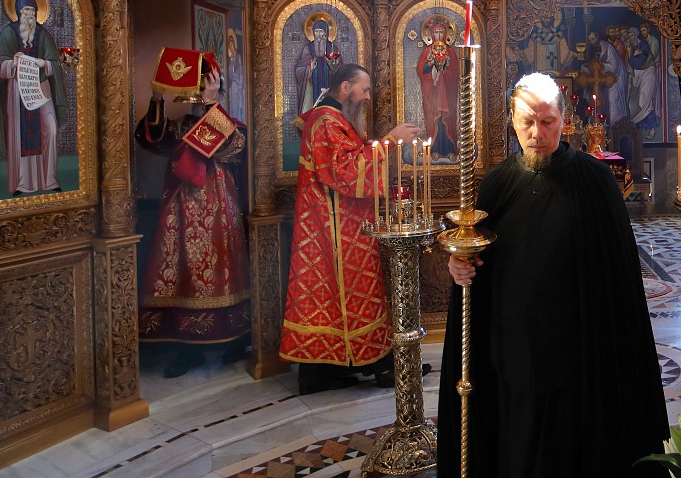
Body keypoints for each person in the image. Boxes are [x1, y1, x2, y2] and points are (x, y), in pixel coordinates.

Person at [438, 72, 669, 478]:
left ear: (565, 121)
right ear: (512, 121)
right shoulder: (495, 186)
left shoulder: (595, 182)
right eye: (527, 122)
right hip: (511, 354)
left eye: (547, 122)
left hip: (578, 357)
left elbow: (619, 283)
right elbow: (475, 262)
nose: (537, 133)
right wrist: (460, 266)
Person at [279, 63, 422, 394]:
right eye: (364, 89)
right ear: (345, 88)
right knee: (346, 295)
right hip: (332, 231)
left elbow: (351, 159)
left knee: (342, 297)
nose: (367, 96)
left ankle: (334, 370)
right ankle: (373, 366)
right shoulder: (325, 122)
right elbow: (345, 171)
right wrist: (390, 141)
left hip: (344, 226)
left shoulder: (334, 120)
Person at [136, 61, 250, 377]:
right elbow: (152, 139)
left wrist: (211, 103)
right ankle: (187, 348)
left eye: (205, 88)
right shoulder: (180, 127)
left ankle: (235, 338)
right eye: (197, 89)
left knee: (223, 270)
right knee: (182, 273)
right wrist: (157, 96)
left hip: (219, 211)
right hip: (180, 210)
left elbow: (233, 148)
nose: (198, 95)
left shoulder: (232, 124)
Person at [0, 0, 66, 196]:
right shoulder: (8, 33)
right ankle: (22, 182)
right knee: (20, 134)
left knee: (50, 129)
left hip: (41, 88)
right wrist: (12, 63)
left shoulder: (43, 34)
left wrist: (45, 64)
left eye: (32, 10)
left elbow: (55, 63)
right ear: (18, 11)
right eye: (26, 10)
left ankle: (49, 179)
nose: (29, 14)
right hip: (18, 90)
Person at [418, 19, 459, 160]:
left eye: (441, 32)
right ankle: (434, 149)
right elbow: (421, 71)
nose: (439, 35)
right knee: (434, 120)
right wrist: (431, 63)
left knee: (447, 119)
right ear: (431, 34)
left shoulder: (450, 51)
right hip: (433, 94)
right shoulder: (427, 51)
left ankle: (450, 149)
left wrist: (444, 70)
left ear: (446, 34)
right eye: (436, 32)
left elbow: (455, 73)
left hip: (447, 93)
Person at [294, 17, 340, 114]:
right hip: (313, 85)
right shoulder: (308, 48)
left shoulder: (332, 48)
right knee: (313, 110)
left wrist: (333, 67)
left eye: (321, 31)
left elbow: (340, 70)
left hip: (328, 83)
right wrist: (309, 68)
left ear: (325, 33)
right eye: (316, 31)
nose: (318, 34)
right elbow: (298, 70)